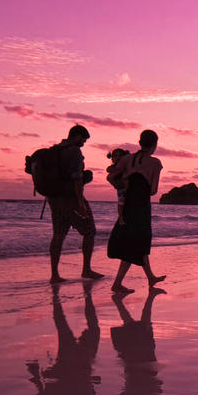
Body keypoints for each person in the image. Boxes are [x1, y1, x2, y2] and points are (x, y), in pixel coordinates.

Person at [107, 129, 165, 293]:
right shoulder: (155, 163)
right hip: (141, 208)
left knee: (137, 243)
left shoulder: (127, 159)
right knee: (136, 244)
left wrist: (126, 183)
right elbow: (153, 190)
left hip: (127, 206)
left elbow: (111, 177)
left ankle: (151, 278)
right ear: (154, 145)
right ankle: (117, 283)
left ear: (140, 143)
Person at [48, 124, 103, 283]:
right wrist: (80, 203)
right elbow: (77, 178)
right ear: (77, 136)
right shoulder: (74, 151)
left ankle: (54, 274)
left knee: (58, 235)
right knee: (89, 231)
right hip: (71, 198)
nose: (83, 143)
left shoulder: (55, 150)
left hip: (54, 199)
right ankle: (86, 269)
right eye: (83, 140)